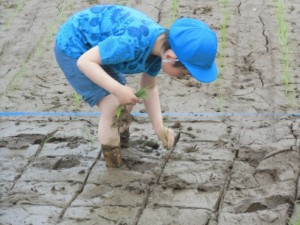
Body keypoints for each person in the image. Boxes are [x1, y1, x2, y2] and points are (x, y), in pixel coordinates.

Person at [54, 4, 218, 168]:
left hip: (98, 50)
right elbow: (85, 62)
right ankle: (114, 166)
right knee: (112, 106)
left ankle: (121, 143)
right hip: (74, 48)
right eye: (184, 74)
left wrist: (159, 128)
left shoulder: (158, 49)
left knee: (125, 104)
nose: (183, 78)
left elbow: (149, 88)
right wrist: (117, 89)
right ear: (170, 57)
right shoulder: (131, 43)